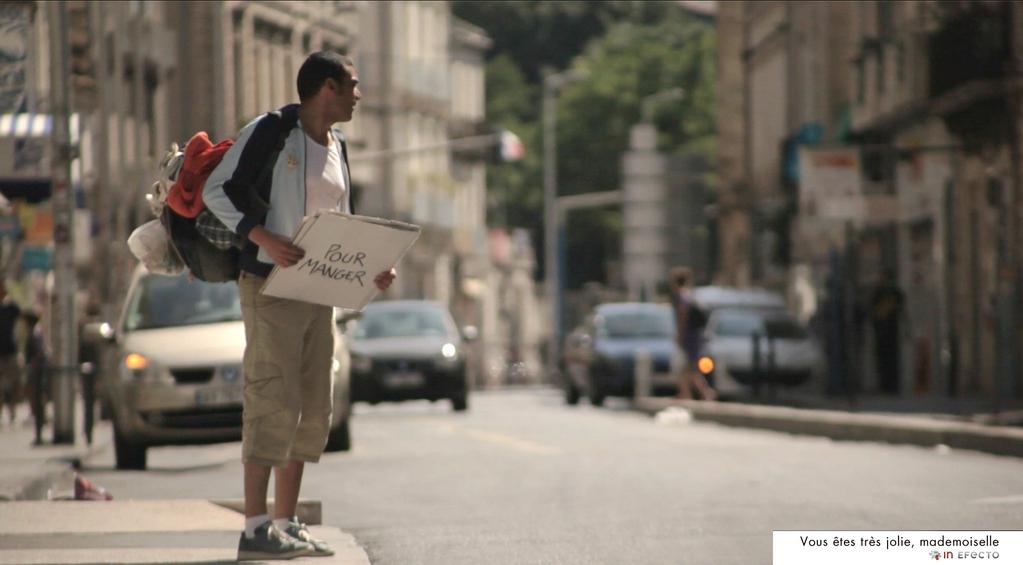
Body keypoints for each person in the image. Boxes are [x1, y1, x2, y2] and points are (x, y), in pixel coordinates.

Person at [204, 51, 396, 561]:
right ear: (326, 88)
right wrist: (263, 236)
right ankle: (255, 527)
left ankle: (286, 523)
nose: (359, 95)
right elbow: (216, 188)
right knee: (271, 397)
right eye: (353, 85)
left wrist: (370, 269)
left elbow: (344, 223)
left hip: (320, 293)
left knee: (313, 405)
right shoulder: (272, 130)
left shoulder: (339, 146)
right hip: (270, 285)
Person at [668, 267, 716, 401]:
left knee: (688, 366)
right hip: (694, 335)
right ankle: (688, 393)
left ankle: (701, 392)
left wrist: (679, 334)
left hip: (689, 335)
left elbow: (682, 316)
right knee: (689, 367)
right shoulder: (690, 294)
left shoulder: (680, 296)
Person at [869, 269, 904, 394]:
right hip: (883, 331)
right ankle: (886, 386)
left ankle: (889, 386)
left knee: (889, 360)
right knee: (884, 360)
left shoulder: (892, 292)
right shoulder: (881, 292)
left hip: (889, 332)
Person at [23, 310, 47, 445]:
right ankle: (38, 434)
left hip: (37, 373)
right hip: (36, 372)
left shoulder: (35, 333)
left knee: (37, 402)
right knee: (36, 403)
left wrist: (32, 367)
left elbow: (39, 353)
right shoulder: (35, 332)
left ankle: (39, 435)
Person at [0, 281, 21, 426]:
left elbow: (21, 316)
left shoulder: (11, 308)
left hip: (11, 351)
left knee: (14, 383)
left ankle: (12, 411)